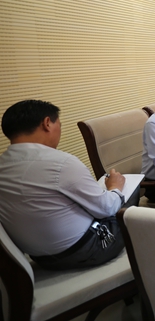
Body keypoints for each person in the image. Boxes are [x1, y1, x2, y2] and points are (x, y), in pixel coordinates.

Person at [0, 100, 128, 270]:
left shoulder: (3, 164)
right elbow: (106, 208)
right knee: (127, 197)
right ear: (47, 123)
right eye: (59, 125)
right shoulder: (61, 163)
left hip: (41, 259)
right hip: (86, 251)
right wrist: (115, 187)